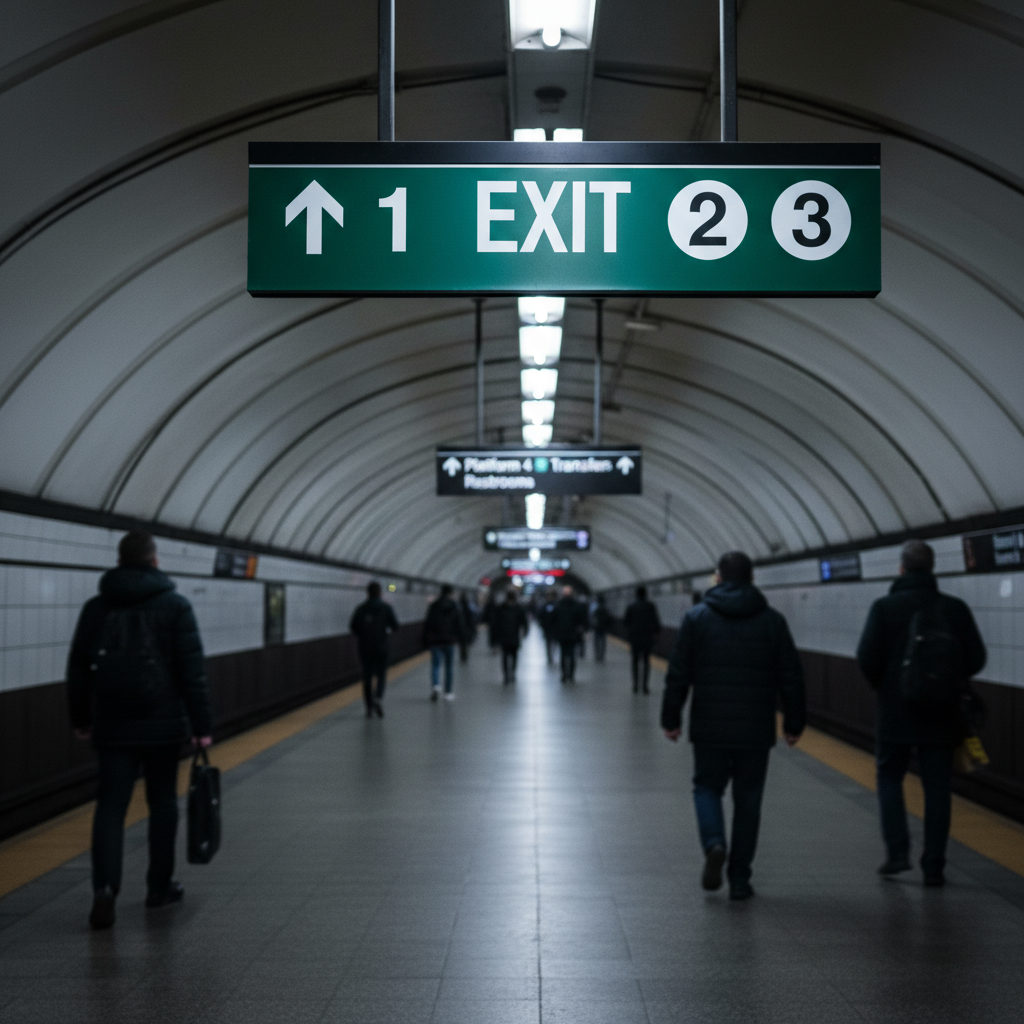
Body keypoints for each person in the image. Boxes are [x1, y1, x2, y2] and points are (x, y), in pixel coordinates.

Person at [67, 530, 212, 930]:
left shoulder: (96, 608)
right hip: (163, 725)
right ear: (155, 561)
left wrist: (81, 718)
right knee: (162, 803)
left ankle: (105, 890)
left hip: (113, 724)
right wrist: (202, 727)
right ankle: (158, 887)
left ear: (118, 561)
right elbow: (192, 673)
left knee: (111, 805)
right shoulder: (175, 606)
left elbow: (78, 669)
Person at [661, 551, 806, 900]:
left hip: (710, 725)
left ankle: (714, 844)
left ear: (718, 578)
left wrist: (671, 718)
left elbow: (678, 673)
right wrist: (794, 722)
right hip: (756, 727)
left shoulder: (696, 618)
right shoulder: (773, 621)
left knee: (707, 788)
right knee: (749, 800)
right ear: (753, 579)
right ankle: (739, 878)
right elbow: (791, 676)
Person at [856, 540, 986, 887]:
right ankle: (934, 865)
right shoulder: (954, 609)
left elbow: (866, 656)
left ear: (901, 569)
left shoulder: (885, 608)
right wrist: (950, 681)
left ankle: (897, 853)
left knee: (888, 778)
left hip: (895, 712)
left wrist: (885, 687)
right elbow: (977, 658)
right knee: (938, 787)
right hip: (942, 714)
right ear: (932, 570)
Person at [349, 581, 399, 718]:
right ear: (380, 593)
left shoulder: (361, 609)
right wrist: (386, 630)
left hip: (365, 647)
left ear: (368, 593)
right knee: (381, 675)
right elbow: (395, 626)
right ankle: (378, 698)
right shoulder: (386, 608)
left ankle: (368, 707)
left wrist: (364, 633)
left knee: (367, 676)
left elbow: (353, 627)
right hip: (382, 647)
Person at [423, 584, 465, 701]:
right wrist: (461, 639)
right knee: (449, 666)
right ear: (450, 593)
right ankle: (448, 692)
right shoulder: (455, 606)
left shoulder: (434, 605)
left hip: (435, 640)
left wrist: (425, 639)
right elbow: (459, 624)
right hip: (450, 640)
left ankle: (436, 686)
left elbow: (428, 623)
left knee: (435, 665)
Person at [624, 585, 662, 694]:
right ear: (645, 594)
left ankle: (635, 684)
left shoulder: (631, 606)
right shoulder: (650, 606)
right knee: (646, 661)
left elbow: (626, 621)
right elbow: (656, 622)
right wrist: (656, 634)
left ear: (636, 594)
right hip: (647, 638)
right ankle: (645, 686)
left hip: (635, 638)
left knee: (635, 661)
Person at [550, 585, 588, 683]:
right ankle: (570, 675)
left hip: (563, 634)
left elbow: (552, 620)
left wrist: (554, 632)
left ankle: (565, 675)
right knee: (571, 655)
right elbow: (582, 620)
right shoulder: (576, 605)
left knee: (563, 655)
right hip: (572, 634)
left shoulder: (558, 605)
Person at [493, 589, 529, 684]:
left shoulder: (501, 608)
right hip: (513, 636)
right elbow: (524, 621)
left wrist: (495, 638)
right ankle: (511, 673)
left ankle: (508, 674)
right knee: (512, 656)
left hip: (506, 636)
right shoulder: (518, 608)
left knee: (507, 656)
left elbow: (496, 623)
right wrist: (525, 631)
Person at [591, 594, 612, 663]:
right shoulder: (606, 609)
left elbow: (593, 618)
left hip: (597, 627)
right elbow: (609, 618)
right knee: (603, 641)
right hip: (604, 627)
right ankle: (602, 655)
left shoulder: (596, 609)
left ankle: (597, 655)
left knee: (597, 641)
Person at [458, 592, 478, 662]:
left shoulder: (458, 608)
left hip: (460, 629)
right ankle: (465, 655)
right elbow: (472, 619)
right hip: (467, 629)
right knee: (466, 643)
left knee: (461, 644)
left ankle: (462, 656)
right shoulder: (469, 608)